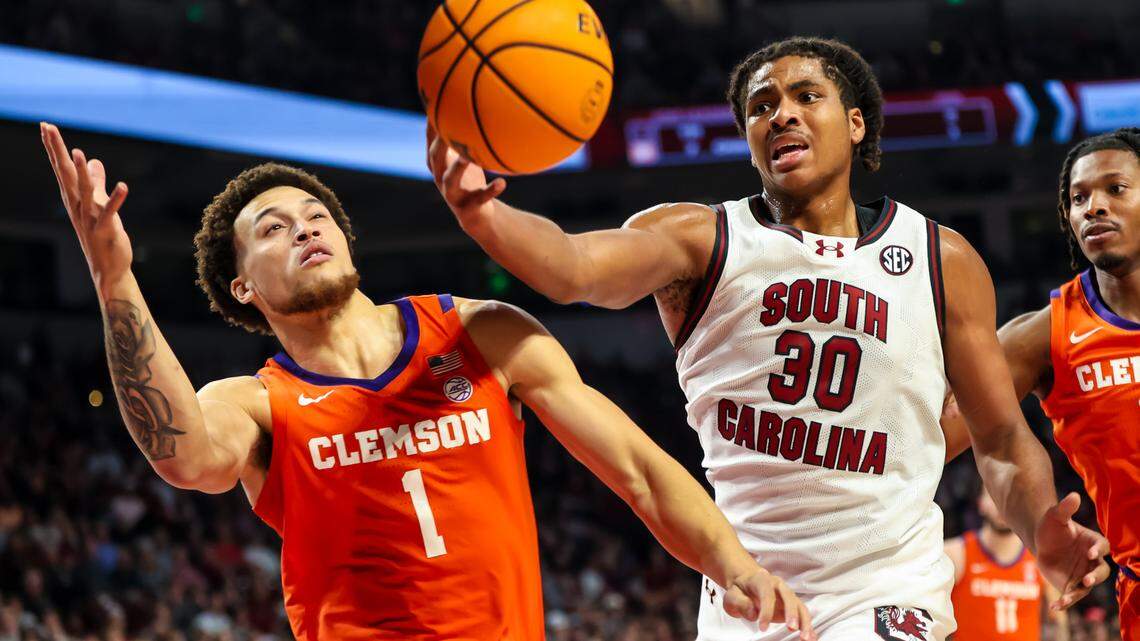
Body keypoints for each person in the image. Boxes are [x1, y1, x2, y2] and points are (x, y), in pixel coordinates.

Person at [428, 36, 1110, 641]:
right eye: (760, 106)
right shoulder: (700, 237)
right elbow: (575, 268)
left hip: (888, 585)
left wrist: (1038, 525)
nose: (779, 112)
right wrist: (485, 216)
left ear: (855, 123)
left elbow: (998, 436)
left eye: (805, 95)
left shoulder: (941, 257)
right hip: (746, 590)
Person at [38, 122, 816, 641]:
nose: (304, 226)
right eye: (271, 229)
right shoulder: (254, 403)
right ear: (242, 287)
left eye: (315, 215)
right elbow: (182, 455)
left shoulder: (480, 331)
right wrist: (114, 279)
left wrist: (735, 564)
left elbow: (639, 471)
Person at [942, 127, 1140, 640]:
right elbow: (938, 438)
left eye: (1115, 189)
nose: (1093, 207)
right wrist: (1034, 528)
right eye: (1079, 198)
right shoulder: (1043, 337)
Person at [945, 486, 1068, 641]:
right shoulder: (955, 554)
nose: (1003, 504)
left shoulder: (1043, 560)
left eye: (1013, 497)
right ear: (980, 503)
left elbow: (1059, 623)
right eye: (995, 494)